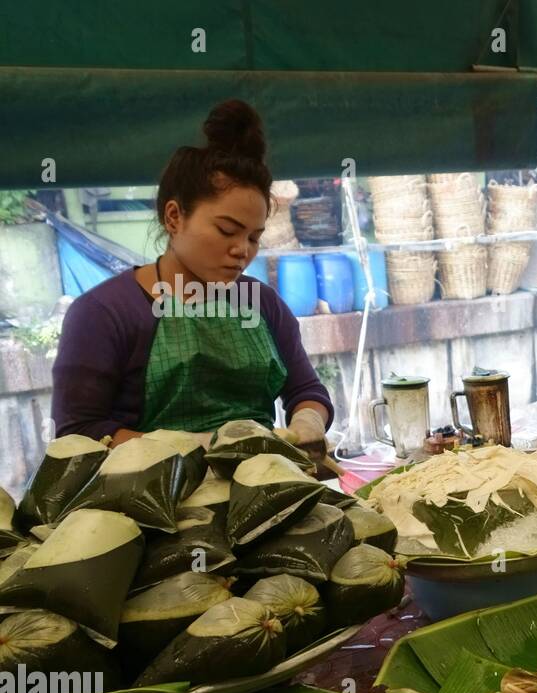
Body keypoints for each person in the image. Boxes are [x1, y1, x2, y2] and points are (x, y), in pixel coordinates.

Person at [52, 99, 332, 454]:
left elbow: (306, 391)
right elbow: (78, 433)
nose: (242, 250)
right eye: (226, 230)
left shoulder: (261, 304)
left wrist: (308, 421)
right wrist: (195, 448)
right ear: (174, 217)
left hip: (262, 489)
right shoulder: (104, 313)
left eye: (254, 237)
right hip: (146, 503)